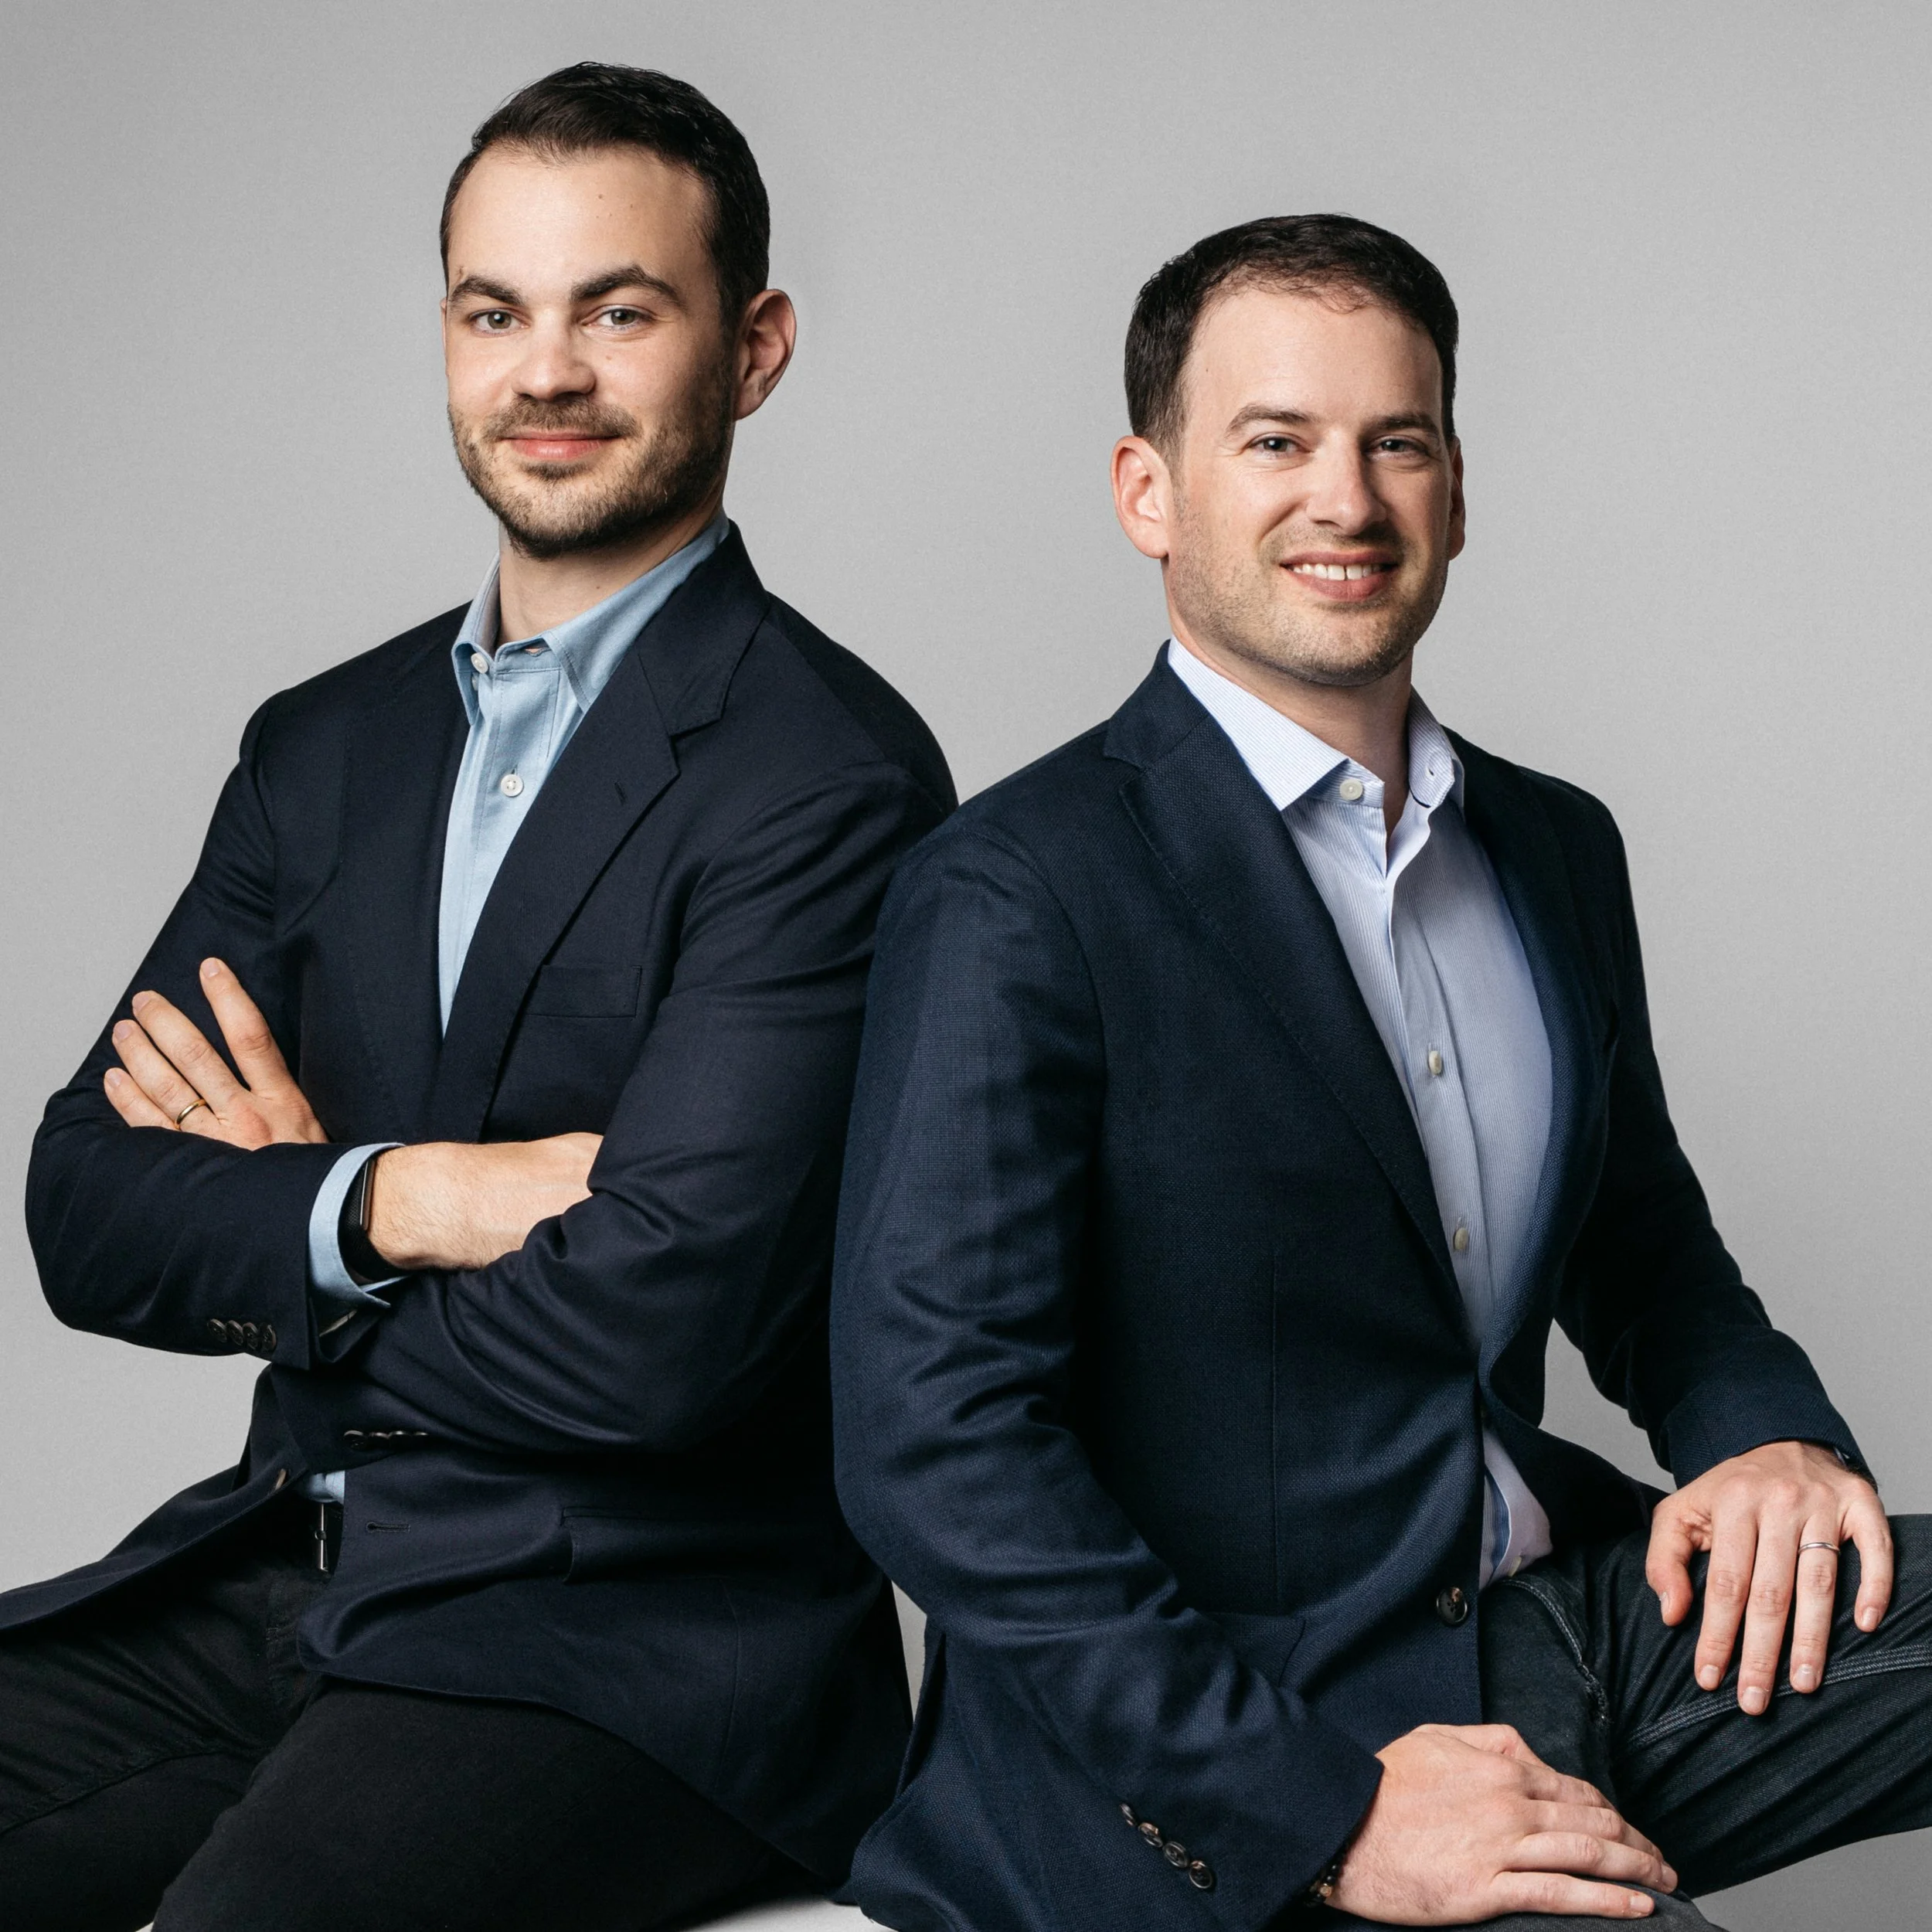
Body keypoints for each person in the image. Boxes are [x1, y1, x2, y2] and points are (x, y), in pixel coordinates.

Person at [828, 214, 1931, 1930]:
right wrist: (1317, 1804)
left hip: (1561, 1617)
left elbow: (1638, 1250)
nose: (1343, 497)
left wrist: (1766, 1437)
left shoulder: (1555, 846)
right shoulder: (1018, 889)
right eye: (1272, 441)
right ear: (1148, 491)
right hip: (1246, 1726)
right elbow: (932, 1441)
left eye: (1392, 442)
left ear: (1454, 490)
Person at [0, 61, 952, 1932]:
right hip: (292, 1575)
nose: (545, 371)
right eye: (493, 311)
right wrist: (411, 1196)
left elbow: (663, 1338)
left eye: (620, 309)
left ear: (751, 349)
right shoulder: (323, 746)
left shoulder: (827, 778)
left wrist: (288, 1223)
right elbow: (79, 1204)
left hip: (639, 1650)